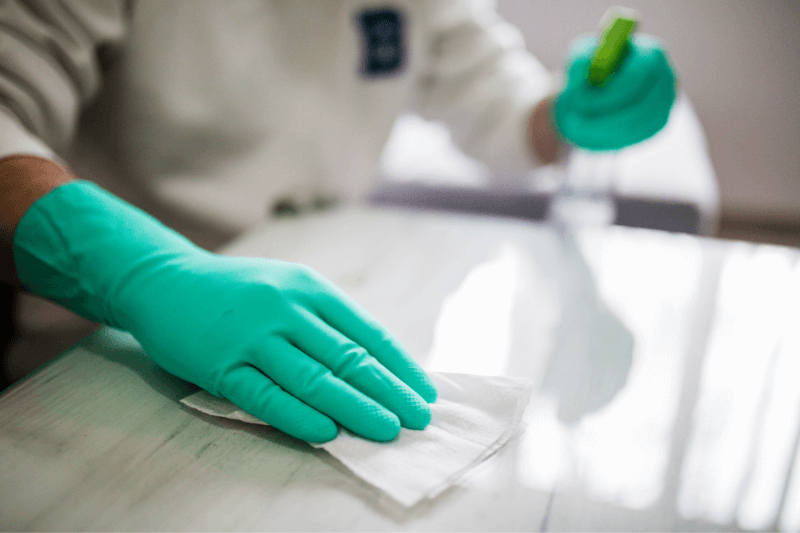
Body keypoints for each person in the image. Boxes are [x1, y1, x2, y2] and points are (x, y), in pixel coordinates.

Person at [0, 0, 673, 442]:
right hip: (105, 333)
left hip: (323, 305)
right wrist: (136, 271)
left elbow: (500, 108)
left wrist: (570, 111)